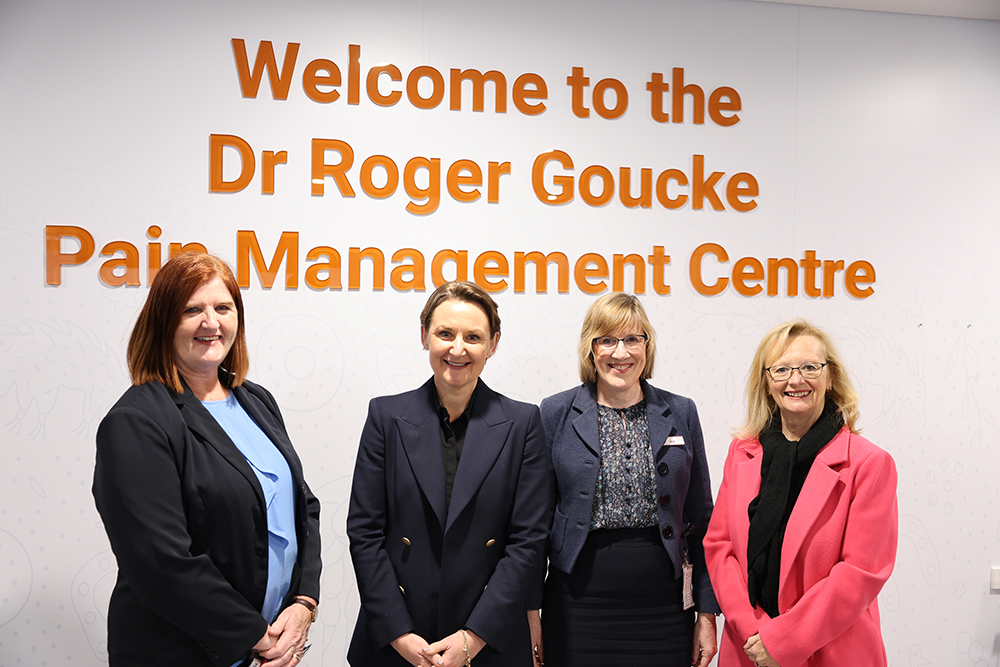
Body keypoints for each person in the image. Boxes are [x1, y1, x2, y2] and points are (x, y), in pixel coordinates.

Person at [93, 252, 321, 667]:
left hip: (267, 650)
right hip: (180, 653)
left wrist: (304, 603)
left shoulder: (256, 401)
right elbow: (160, 563)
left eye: (223, 308)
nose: (211, 323)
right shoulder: (136, 421)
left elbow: (302, 507)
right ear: (164, 322)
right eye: (192, 310)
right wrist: (257, 637)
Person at [347, 281, 550, 667]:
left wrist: (472, 638)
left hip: (489, 641)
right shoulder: (385, 417)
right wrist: (400, 636)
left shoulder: (523, 423)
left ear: (493, 344)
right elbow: (365, 533)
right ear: (424, 336)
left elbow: (528, 542)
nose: (458, 349)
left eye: (473, 336)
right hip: (398, 642)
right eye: (445, 333)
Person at [537, 292, 720, 667]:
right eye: (607, 340)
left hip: (665, 605)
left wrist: (706, 612)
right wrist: (527, 612)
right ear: (591, 349)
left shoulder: (681, 411)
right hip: (577, 602)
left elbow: (703, 517)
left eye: (633, 339)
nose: (620, 353)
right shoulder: (555, 412)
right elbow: (533, 523)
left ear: (646, 347)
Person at [704, 319, 898, 667]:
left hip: (832, 652)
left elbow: (860, 573)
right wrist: (754, 634)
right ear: (766, 383)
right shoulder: (742, 454)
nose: (796, 380)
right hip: (749, 650)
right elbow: (720, 548)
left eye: (810, 367)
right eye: (781, 369)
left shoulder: (869, 464)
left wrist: (782, 642)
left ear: (830, 377)